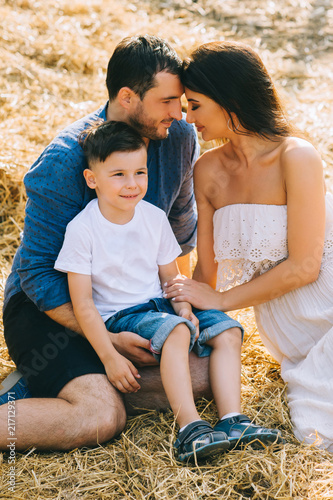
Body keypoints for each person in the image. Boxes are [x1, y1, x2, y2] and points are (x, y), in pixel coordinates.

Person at [0, 35, 203, 451]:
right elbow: (36, 274)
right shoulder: (63, 160)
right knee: (100, 416)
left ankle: (52, 384)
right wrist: (107, 340)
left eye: (179, 101)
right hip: (51, 309)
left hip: (129, 302)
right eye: (166, 101)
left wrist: (169, 301)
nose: (178, 112)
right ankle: (71, 386)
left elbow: (180, 229)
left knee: (202, 375)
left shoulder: (178, 138)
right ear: (128, 97)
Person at [163, 40, 333, 452]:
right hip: (288, 328)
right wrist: (183, 308)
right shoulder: (206, 171)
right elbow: (206, 273)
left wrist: (222, 301)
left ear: (229, 100)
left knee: (317, 425)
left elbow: (305, 267)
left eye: (196, 105)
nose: (188, 117)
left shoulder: (296, 155)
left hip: (325, 299)